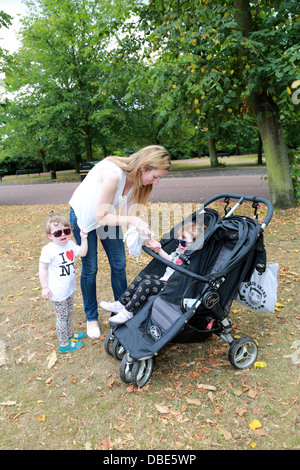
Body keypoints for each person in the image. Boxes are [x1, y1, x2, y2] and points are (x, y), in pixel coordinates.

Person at [69, 145, 171, 339]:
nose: (156, 182)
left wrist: (147, 237)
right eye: (156, 176)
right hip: (84, 217)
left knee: (119, 264)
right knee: (90, 268)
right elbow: (100, 217)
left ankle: (122, 310)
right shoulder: (113, 174)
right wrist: (134, 221)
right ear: (144, 167)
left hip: (107, 216)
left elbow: (127, 214)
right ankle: (91, 318)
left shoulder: (137, 181)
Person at [100, 221, 203, 324]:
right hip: (165, 280)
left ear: (195, 243)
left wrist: (167, 279)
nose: (180, 245)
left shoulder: (192, 259)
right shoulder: (179, 251)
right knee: (143, 277)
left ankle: (127, 312)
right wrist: (159, 250)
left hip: (174, 286)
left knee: (146, 284)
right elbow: (169, 258)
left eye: (184, 242)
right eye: (178, 242)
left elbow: (183, 276)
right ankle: (121, 304)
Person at [39, 212, 88, 353]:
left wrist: (84, 239)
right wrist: (44, 287)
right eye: (58, 233)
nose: (63, 235)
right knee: (62, 317)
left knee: (69, 312)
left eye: (66, 231)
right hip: (56, 291)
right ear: (50, 236)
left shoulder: (71, 244)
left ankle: (69, 334)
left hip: (68, 289)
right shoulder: (48, 250)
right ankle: (64, 344)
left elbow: (83, 253)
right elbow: (42, 268)